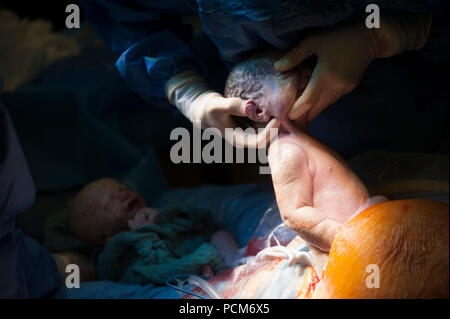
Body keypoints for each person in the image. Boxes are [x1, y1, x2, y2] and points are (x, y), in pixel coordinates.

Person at [79, 0, 447, 153]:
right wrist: (184, 90)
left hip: (418, 86)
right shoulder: (295, 139)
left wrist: (395, 30)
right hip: (344, 130)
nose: (284, 125)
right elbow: (122, 14)